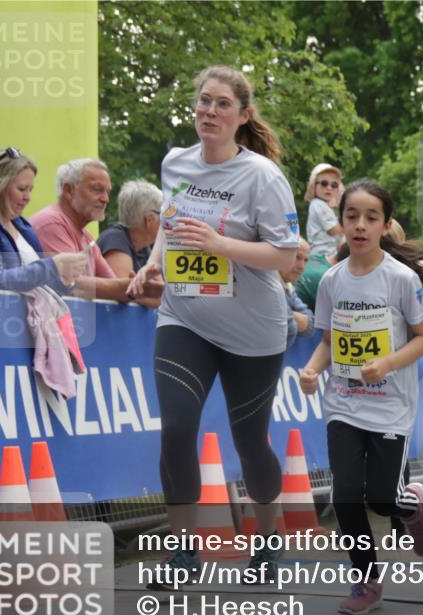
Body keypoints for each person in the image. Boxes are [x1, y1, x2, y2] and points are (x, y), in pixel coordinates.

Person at [127, 65, 300, 587]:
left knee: (250, 442)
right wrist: (153, 261)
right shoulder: (175, 163)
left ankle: (266, 541)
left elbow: (284, 255)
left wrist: (220, 244)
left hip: (253, 328)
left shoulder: (262, 177)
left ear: (243, 115)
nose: (210, 111)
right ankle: (184, 553)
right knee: (177, 428)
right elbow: (172, 223)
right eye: (204, 100)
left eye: (223, 104)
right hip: (185, 316)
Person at [299, 179, 423, 615]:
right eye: (352, 216)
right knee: (346, 494)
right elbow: (329, 341)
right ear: (341, 222)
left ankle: (410, 504)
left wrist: (387, 364)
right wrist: (313, 369)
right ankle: (366, 580)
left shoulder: (401, 279)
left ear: (385, 225)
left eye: (371, 217)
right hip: (344, 403)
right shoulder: (331, 280)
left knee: (383, 499)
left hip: (390, 405)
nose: (360, 225)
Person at [0, 148, 87, 292]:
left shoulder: (22, 226)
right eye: (22, 189)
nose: (28, 197)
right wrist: (52, 266)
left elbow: (36, 286)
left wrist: (63, 281)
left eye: (30, 190)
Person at [31, 158, 140, 303]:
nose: (106, 199)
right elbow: (71, 285)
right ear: (69, 190)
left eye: (107, 192)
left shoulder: (86, 237)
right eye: (97, 189)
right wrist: (132, 287)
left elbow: (114, 286)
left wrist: (136, 287)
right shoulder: (50, 223)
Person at [98, 179, 160, 276]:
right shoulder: (114, 239)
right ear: (149, 220)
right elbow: (122, 285)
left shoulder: (143, 247)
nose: (167, 221)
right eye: (163, 215)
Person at [304, 163, 343, 262]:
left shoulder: (324, 205)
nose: (329, 188)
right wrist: (349, 220)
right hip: (323, 256)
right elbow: (333, 230)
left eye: (334, 185)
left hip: (327, 254)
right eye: (324, 183)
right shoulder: (319, 205)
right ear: (313, 186)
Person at [281, 238, 315, 349]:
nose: (302, 267)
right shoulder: (268, 284)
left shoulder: (288, 285)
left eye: (305, 260)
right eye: (297, 257)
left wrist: (285, 314)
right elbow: (289, 333)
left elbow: (311, 325)